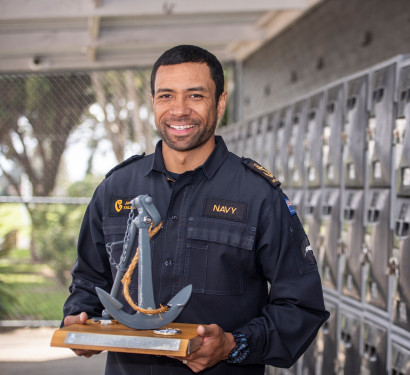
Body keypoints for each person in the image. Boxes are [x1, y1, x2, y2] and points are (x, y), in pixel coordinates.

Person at [62, 44, 329, 374]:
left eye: (195, 95)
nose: (179, 109)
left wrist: (234, 344)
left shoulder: (259, 196)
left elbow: (301, 306)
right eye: (166, 96)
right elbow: (90, 279)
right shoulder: (115, 189)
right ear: (153, 103)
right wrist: (79, 316)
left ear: (220, 104)